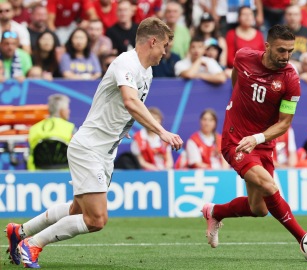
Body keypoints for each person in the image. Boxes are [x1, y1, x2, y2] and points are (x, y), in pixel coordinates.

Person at [5, 17, 183, 268]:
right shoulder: (125, 62)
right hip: (90, 147)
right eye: (164, 45)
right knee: (96, 219)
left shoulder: (148, 71)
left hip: (105, 150)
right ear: (152, 41)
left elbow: (127, 107)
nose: (166, 51)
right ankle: (32, 245)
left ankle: (19, 232)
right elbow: (131, 102)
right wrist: (161, 131)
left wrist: (124, 128)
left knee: (77, 211)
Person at [202, 25, 307, 249]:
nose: (286, 56)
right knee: (270, 186)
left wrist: (258, 138)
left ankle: (214, 211)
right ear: (267, 46)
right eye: (281, 50)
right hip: (236, 140)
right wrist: (237, 103)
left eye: (290, 51)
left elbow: (284, 123)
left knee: (259, 209)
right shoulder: (243, 57)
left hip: (261, 143)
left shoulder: (290, 80)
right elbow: (235, 76)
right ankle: (304, 239)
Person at [27, 94, 75, 170]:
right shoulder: (70, 128)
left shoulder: (34, 129)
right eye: (67, 108)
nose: (69, 111)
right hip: (65, 175)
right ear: (62, 111)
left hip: (38, 175)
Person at [284, 4, 307, 73]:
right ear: (285, 16)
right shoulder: (279, 33)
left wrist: (306, 66)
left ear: (300, 16)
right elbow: (275, 57)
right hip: (286, 70)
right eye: (289, 14)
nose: (292, 17)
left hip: (306, 69)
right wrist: (294, 65)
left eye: (295, 14)